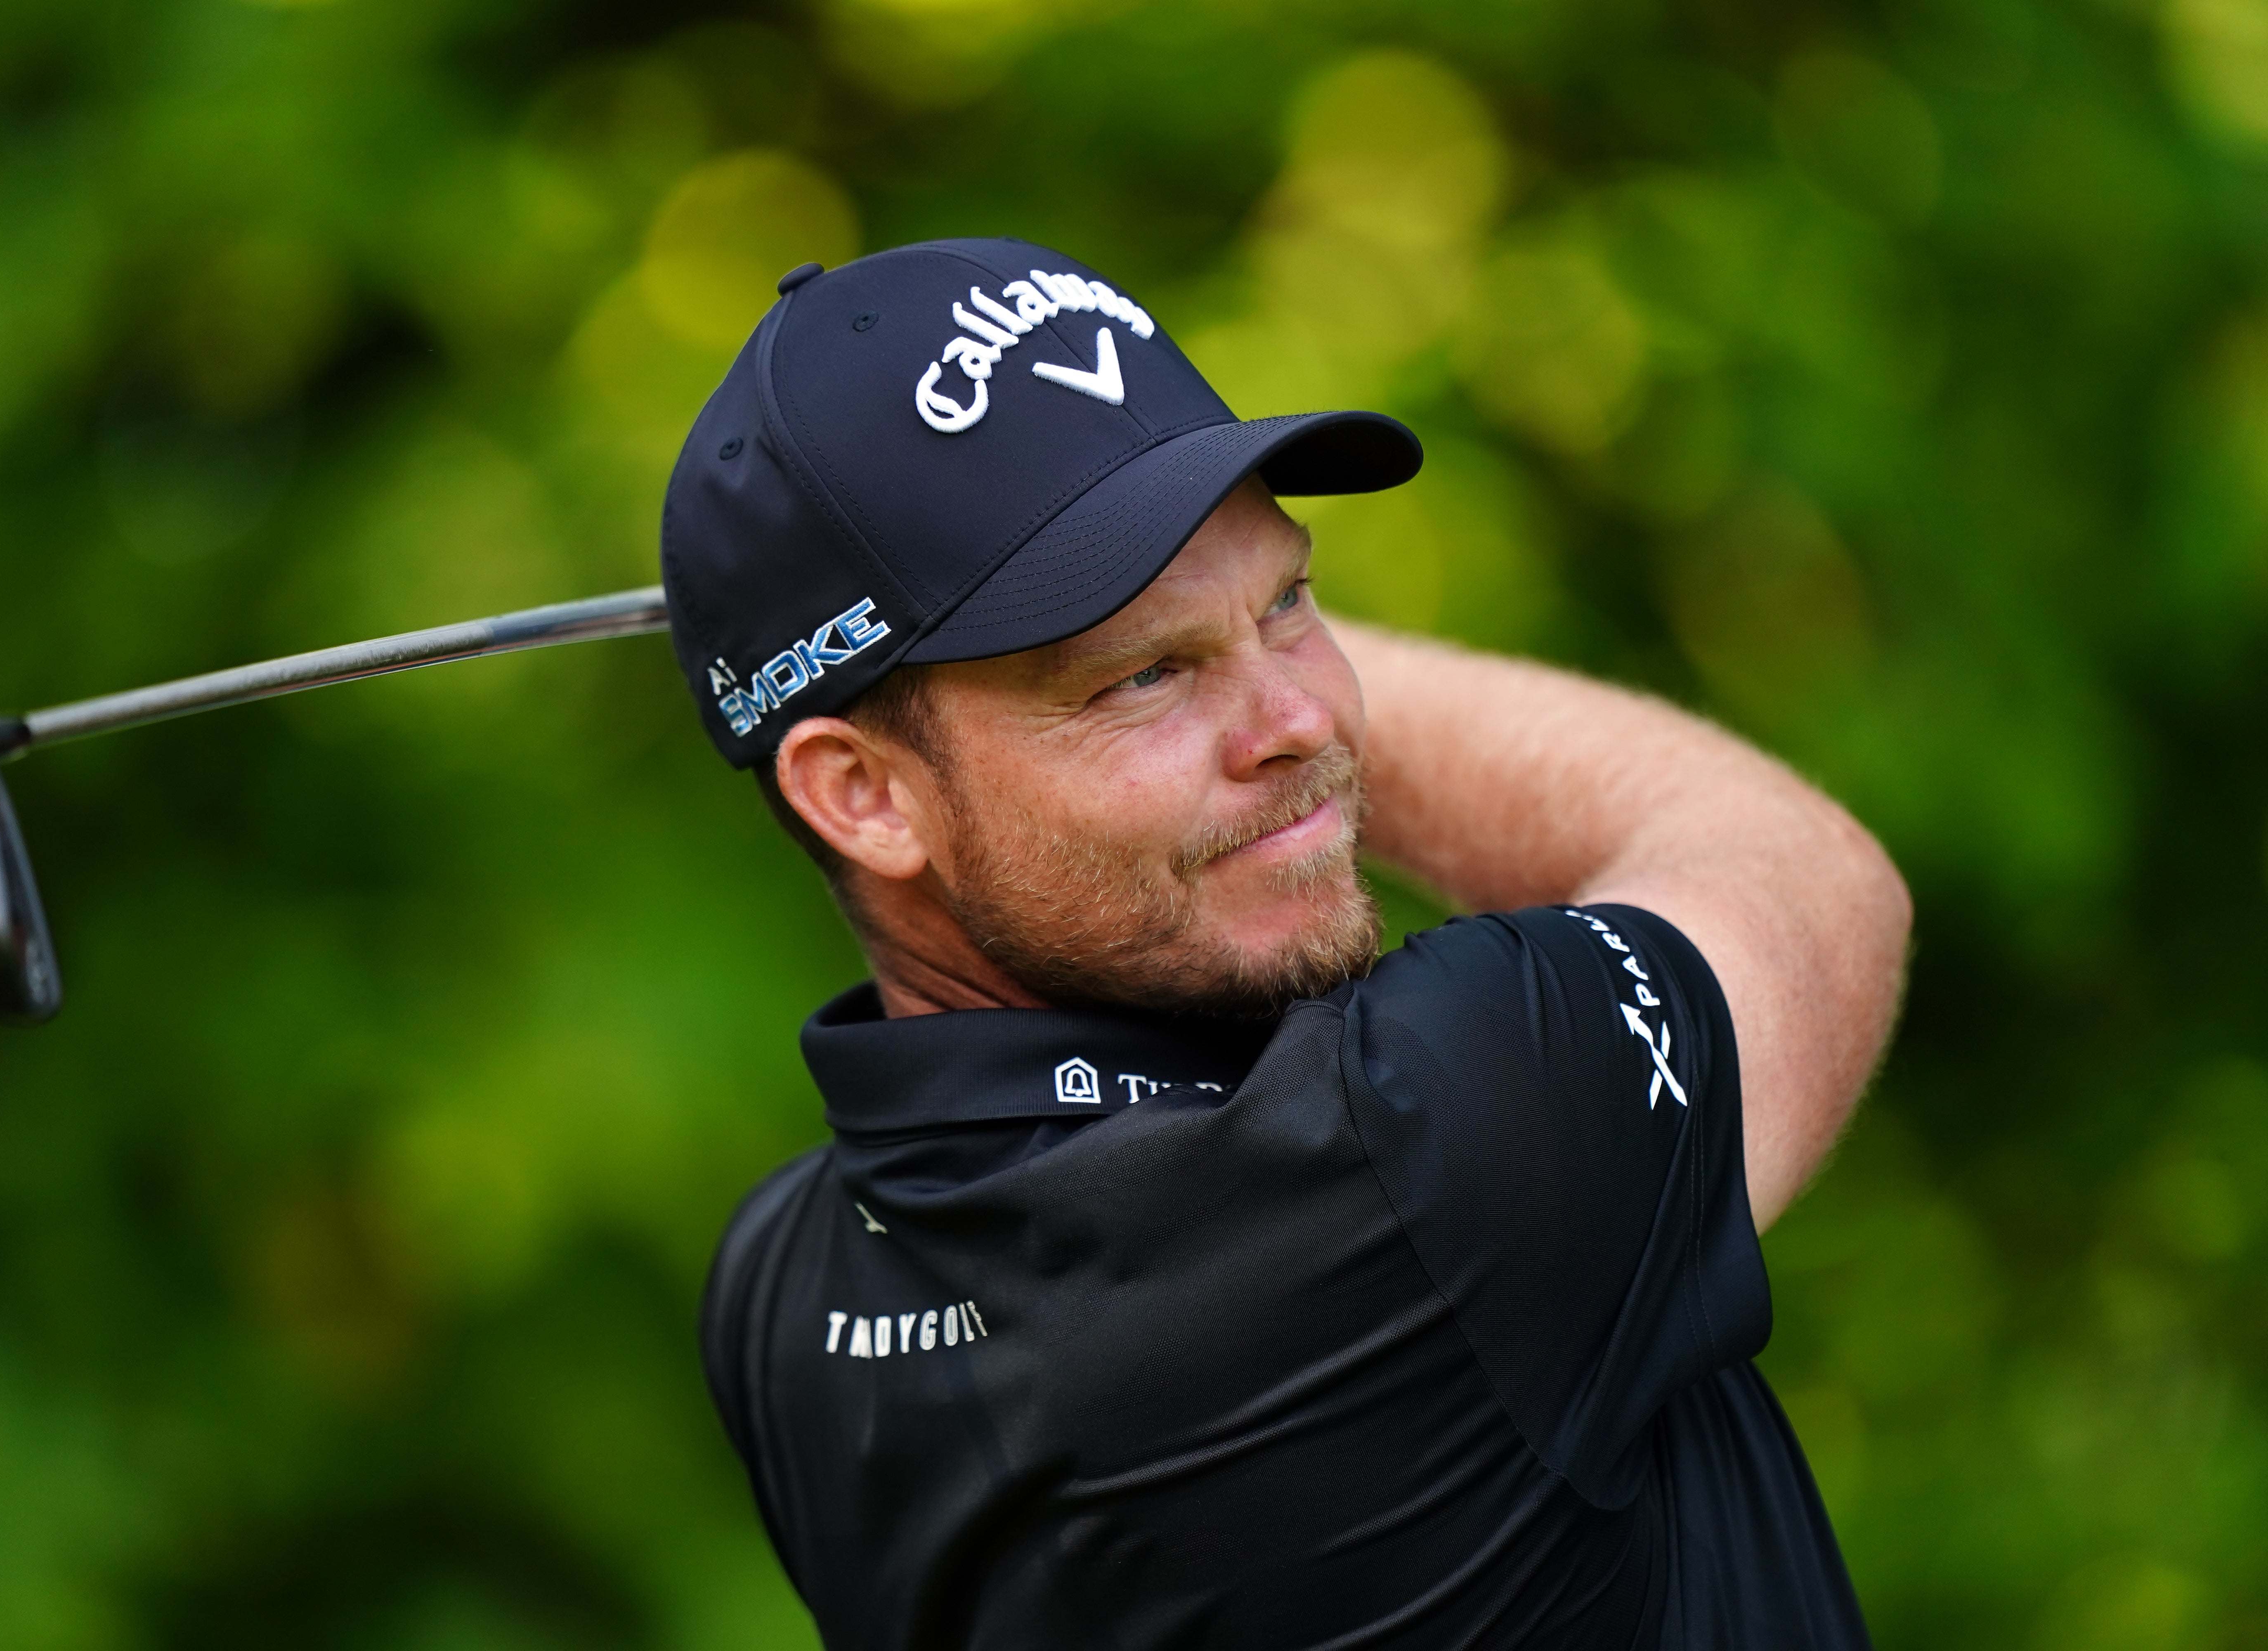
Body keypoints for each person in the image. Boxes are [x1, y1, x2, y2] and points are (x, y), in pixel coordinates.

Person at [661, 240, 1910, 1649]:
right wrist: (1232, 610)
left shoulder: (780, 1294)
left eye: (1291, 602)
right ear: (864, 796)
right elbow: (1805, 873)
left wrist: (1178, 624)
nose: (1302, 721)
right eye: (1143, 675)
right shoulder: (1430, 1138)